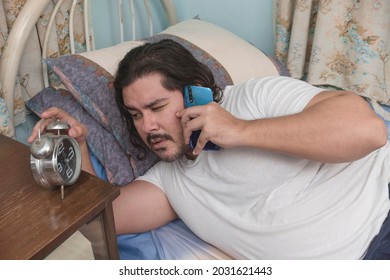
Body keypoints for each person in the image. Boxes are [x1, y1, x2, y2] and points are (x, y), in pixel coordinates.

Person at [28, 39, 390, 259]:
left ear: (196, 90)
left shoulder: (256, 96)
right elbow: (101, 221)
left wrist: (239, 130)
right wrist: (80, 150)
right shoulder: (170, 180)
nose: (147, 126)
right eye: (136, 115)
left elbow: (369, 130)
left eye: (156, 108)